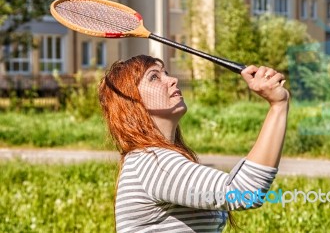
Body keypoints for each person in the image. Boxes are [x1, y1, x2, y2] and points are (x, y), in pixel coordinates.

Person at [98, 55, 289, 233]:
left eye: (165, 73)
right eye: (154, 77)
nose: (172, 80)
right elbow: (245, 192)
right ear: (130, 102)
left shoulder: (158, 159)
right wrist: (278, 105)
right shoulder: (151, 162)